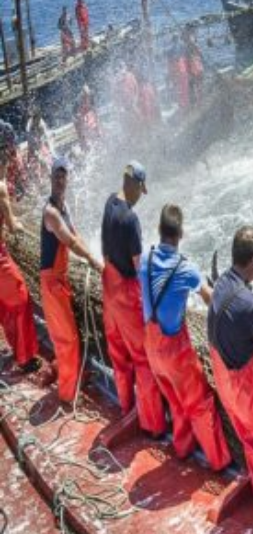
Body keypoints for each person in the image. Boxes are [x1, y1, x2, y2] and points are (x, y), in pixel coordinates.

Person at [139, 204, 232, 471]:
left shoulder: (146, 258)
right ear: (181, 234)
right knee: (199, 403)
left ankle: (183, 448)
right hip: (174, 351)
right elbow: (210, 299)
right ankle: (219, 461)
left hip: (152, 348)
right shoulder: (186, 268)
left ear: (159, 230)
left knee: (175, 399)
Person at [208, 226, 253, 498]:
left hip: (226, 384)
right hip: (249, 393)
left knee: (250, 442)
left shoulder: (221, 285)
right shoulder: (251, 304)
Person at [99, 162, 165, 435]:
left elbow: (105, 248)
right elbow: (139, 267)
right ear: (134, 184)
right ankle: (153, 424)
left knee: (117, 352)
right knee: (142, 358)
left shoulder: (109, 202)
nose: (141, 195)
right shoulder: (130, 220)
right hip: (126, 294)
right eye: (141, 189)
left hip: (109, 286)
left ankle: (126, 406)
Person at [41, 156, 104, 404]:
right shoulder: (51, 213)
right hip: (51, 283)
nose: (59, 179)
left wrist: (94, 254)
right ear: (50, 178)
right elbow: (70, 241)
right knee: (66, 339)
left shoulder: (64, 207)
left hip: (61, 279)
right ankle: (68, 395)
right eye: (56, 175)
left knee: (71, 334)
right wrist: (93, 261)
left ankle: (75, 374)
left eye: (63, 175)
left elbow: (76, 235)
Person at [0, 122, 39, 374]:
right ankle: (25, 359)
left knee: (4, 305)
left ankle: (16, 348)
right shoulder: (1, 188)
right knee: (22, 299)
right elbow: (13, 225)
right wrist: (28, 226)